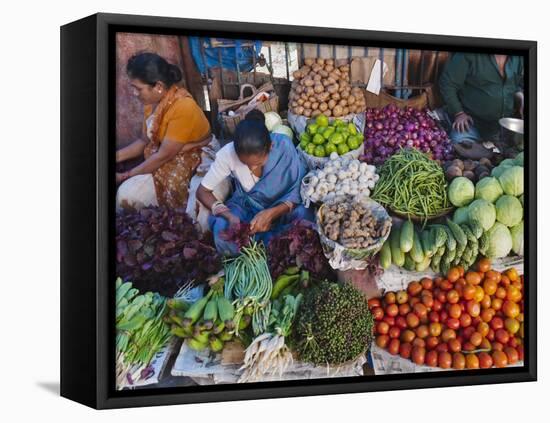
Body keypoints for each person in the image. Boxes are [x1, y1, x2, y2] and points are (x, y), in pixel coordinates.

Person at [196, 110, 314, 255]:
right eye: (244, 163)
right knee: (222, 228)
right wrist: (230, 217)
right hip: (247, 208)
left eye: (258, 163)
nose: (251, 168)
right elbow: (203, 191)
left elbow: (299, 190)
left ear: (270, 147)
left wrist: (271, 214)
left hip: (282, 207)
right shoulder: (228, 154)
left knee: (305, 214)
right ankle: (271, 246)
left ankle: (265, 245)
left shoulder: (283, 146)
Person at [116, 52, 213, 209]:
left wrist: (124, 176)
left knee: (192, 208)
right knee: (126, 195)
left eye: (138, 89)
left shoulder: (183, 107)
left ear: (159, 87)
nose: (134, 94)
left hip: (195, 154)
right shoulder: (151, 102)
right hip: (166, 152)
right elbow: (144, 141)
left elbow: (163, 156)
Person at [439, 53, 523, 144]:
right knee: (459, 141)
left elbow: (515, 86)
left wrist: (522, 99)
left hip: (505, 125)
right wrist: (458, 113)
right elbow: (447, 84)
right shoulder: (468, 55)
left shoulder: (519, 57)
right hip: (472, 122)